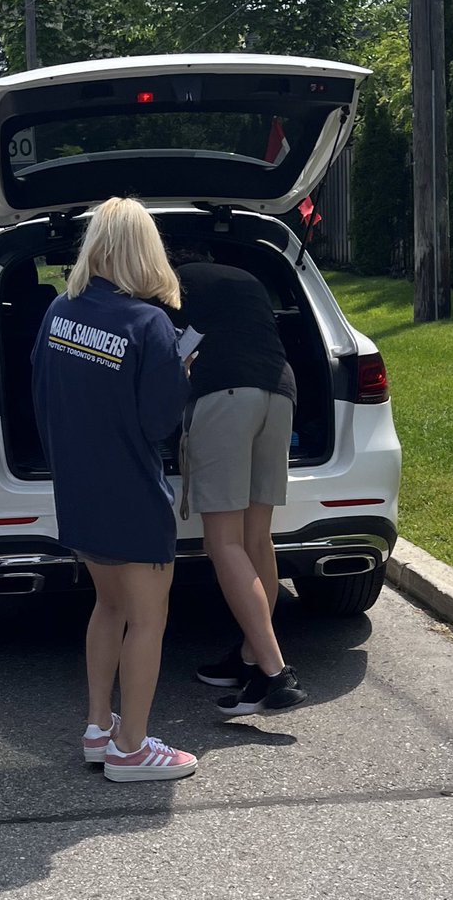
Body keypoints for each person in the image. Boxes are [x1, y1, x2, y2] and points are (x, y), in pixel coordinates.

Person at [31, 197, 197, 783]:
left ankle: (99, 728)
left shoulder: (58, 312)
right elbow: (159, 424)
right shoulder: (149, 323)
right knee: (149, 617)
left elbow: (40, 396)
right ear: (143, 249)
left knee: (107, 605)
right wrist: (180, 373)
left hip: (78, 486)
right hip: (132, 487)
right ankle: (132, 748)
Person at [173, 249, 308, 716]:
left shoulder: (172, 285)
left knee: (223, 543)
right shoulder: (243, 276)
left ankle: (274, 673)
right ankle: (249, 657)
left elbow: (172, 356)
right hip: (280, 392)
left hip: (227, 397)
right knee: (257, 539)